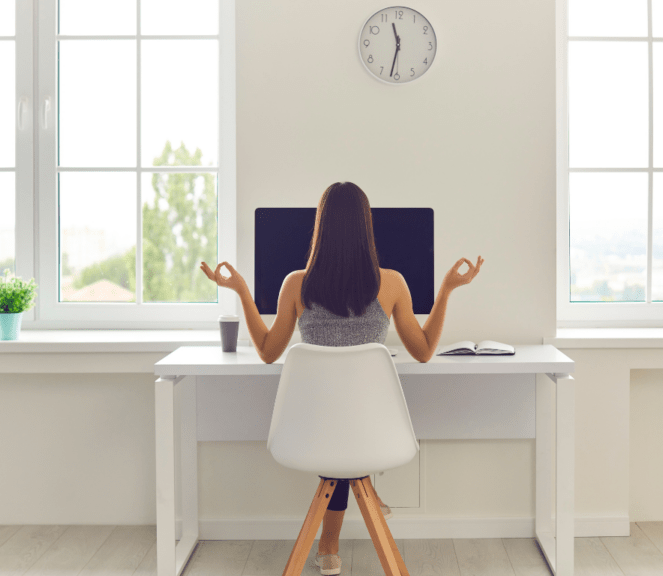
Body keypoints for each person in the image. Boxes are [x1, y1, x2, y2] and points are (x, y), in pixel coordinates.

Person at [200, 181, 484, 575]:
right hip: (371, 429)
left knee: (338, 436)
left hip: (314, 429)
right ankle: (355, 495)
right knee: (350, 440)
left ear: (320, 227)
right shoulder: (393, 283)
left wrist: (242, 292)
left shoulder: (295, 284)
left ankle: (329, 547)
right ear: (366, 227)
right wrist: (447, 291)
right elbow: (422, 351)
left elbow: (267, 353)